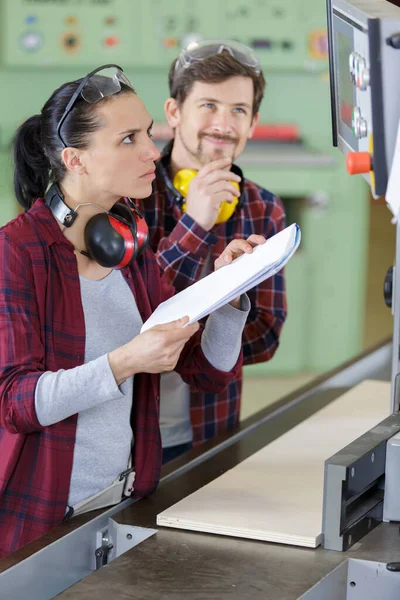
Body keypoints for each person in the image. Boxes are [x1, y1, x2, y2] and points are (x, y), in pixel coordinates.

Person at [0, 64, 262, 558]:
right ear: (75, 159)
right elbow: (16, 402)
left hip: (122, 505)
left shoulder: (128, 244)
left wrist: (229, 297)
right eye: (128, 139)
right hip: (44, 519)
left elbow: (203, 373)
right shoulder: (17, 251)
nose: (150, 151)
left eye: (146, 133)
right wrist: (125, 361)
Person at [141, 41, 287, 462]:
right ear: (174, 112)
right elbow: (127, 320)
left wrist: (211, 321)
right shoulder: (131, 196)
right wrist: (195, 226)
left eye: (238, 110)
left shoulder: (263, 208)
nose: (223, 124)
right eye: (208, 105)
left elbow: (266, 336)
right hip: (130, 434)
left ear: (253, 122)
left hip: (210, 431)